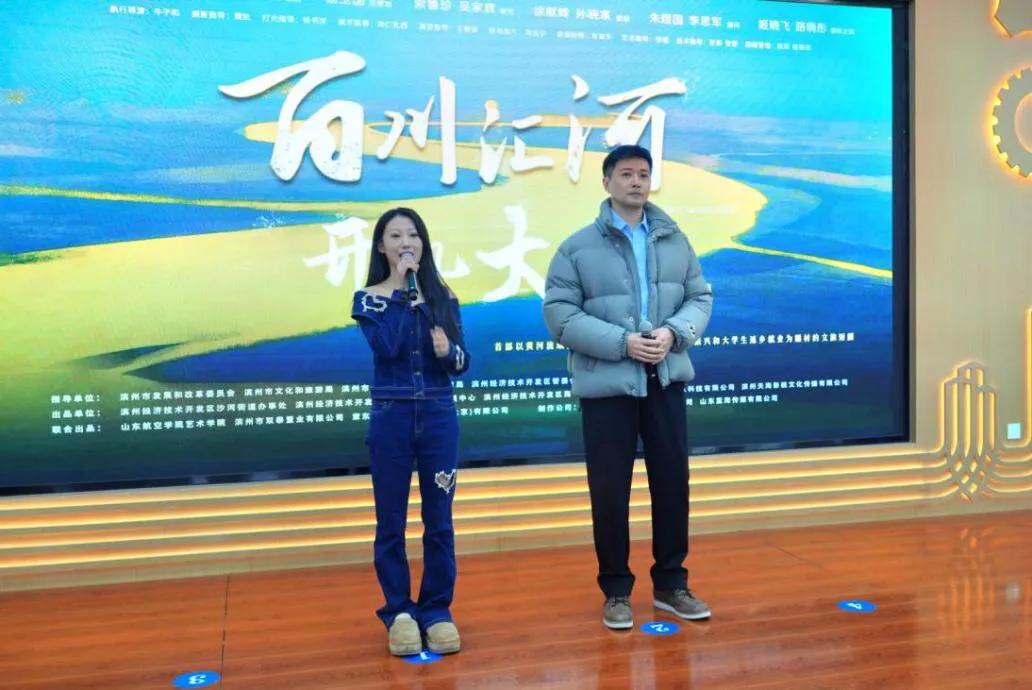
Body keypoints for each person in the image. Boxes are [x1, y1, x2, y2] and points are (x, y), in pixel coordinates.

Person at [542, 145, 713, 630]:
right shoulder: (576, 247)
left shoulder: (675, 240)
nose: (636, 182)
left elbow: (700, 297)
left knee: (672, 484)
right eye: (626, 174)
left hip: (665, 379)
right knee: (610, 490)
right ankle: (616, 590)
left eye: (643, 174)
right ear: (606, 182)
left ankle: (672, 584)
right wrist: (623, 343)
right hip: (608, 387)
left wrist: (673, 333)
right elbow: (559, 315)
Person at [351, 207, 470, 656]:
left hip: (439, 415)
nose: (406, 243)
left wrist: (448, 350)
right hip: (392, 416)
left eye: (414, 235)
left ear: (424, 243)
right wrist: (403, 292)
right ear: (382, 247)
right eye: (396, 236)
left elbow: (462, 364)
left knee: (440, 521)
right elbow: (387, 346)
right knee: (391, 521)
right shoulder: (369, 299)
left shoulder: (441, 295)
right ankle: (399, 611)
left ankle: (437, 610)